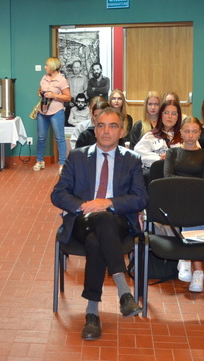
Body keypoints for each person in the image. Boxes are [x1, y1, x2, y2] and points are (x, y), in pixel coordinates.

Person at [51, 109, 146, 340]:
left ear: (121, 131)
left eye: (113, 126)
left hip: (117, 222)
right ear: (94, 130)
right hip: (81, 221)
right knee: (99, 223)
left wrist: (108, 202)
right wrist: (85, 206)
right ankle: (123, 291)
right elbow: (58, 194)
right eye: (101, 125)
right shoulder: (77, 157)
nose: (106, 131)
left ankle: (92, 313)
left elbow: (141, 198)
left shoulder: (131, 160)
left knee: (97, 240)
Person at [163, 116, 204, 292]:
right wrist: (191, 183)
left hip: (197, 199)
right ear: (181, 133)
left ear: (199, 133)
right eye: (187, 131)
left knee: (194, 212)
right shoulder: (172, 153)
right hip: (175, 198)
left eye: (194, 131)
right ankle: (195, 268)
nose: (191, 135)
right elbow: (167, 178)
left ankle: (186, 259)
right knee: (189, 212)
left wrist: (185, 183)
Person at [34, 57, 71, 173]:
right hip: (43, 111)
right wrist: (40, 93)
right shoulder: (44, 77)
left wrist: (54, 95)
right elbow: (40, 90)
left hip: (56, 111)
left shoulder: (62, 80)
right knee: (41, 138)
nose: (45, 67)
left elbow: (68, 97)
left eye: (47, 65)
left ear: (53, 67)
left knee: (60, 138)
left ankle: (62, 164)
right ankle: (39, 161)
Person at [133, 102, 182, 170]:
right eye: (166, 112)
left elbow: (193, 156)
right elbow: (137, 153)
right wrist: (159, 158)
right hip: (156, 173)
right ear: (161, 115)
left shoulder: (184, 136)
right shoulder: (150, 135)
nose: (170, 116)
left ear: (178, 117)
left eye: (173, 113)